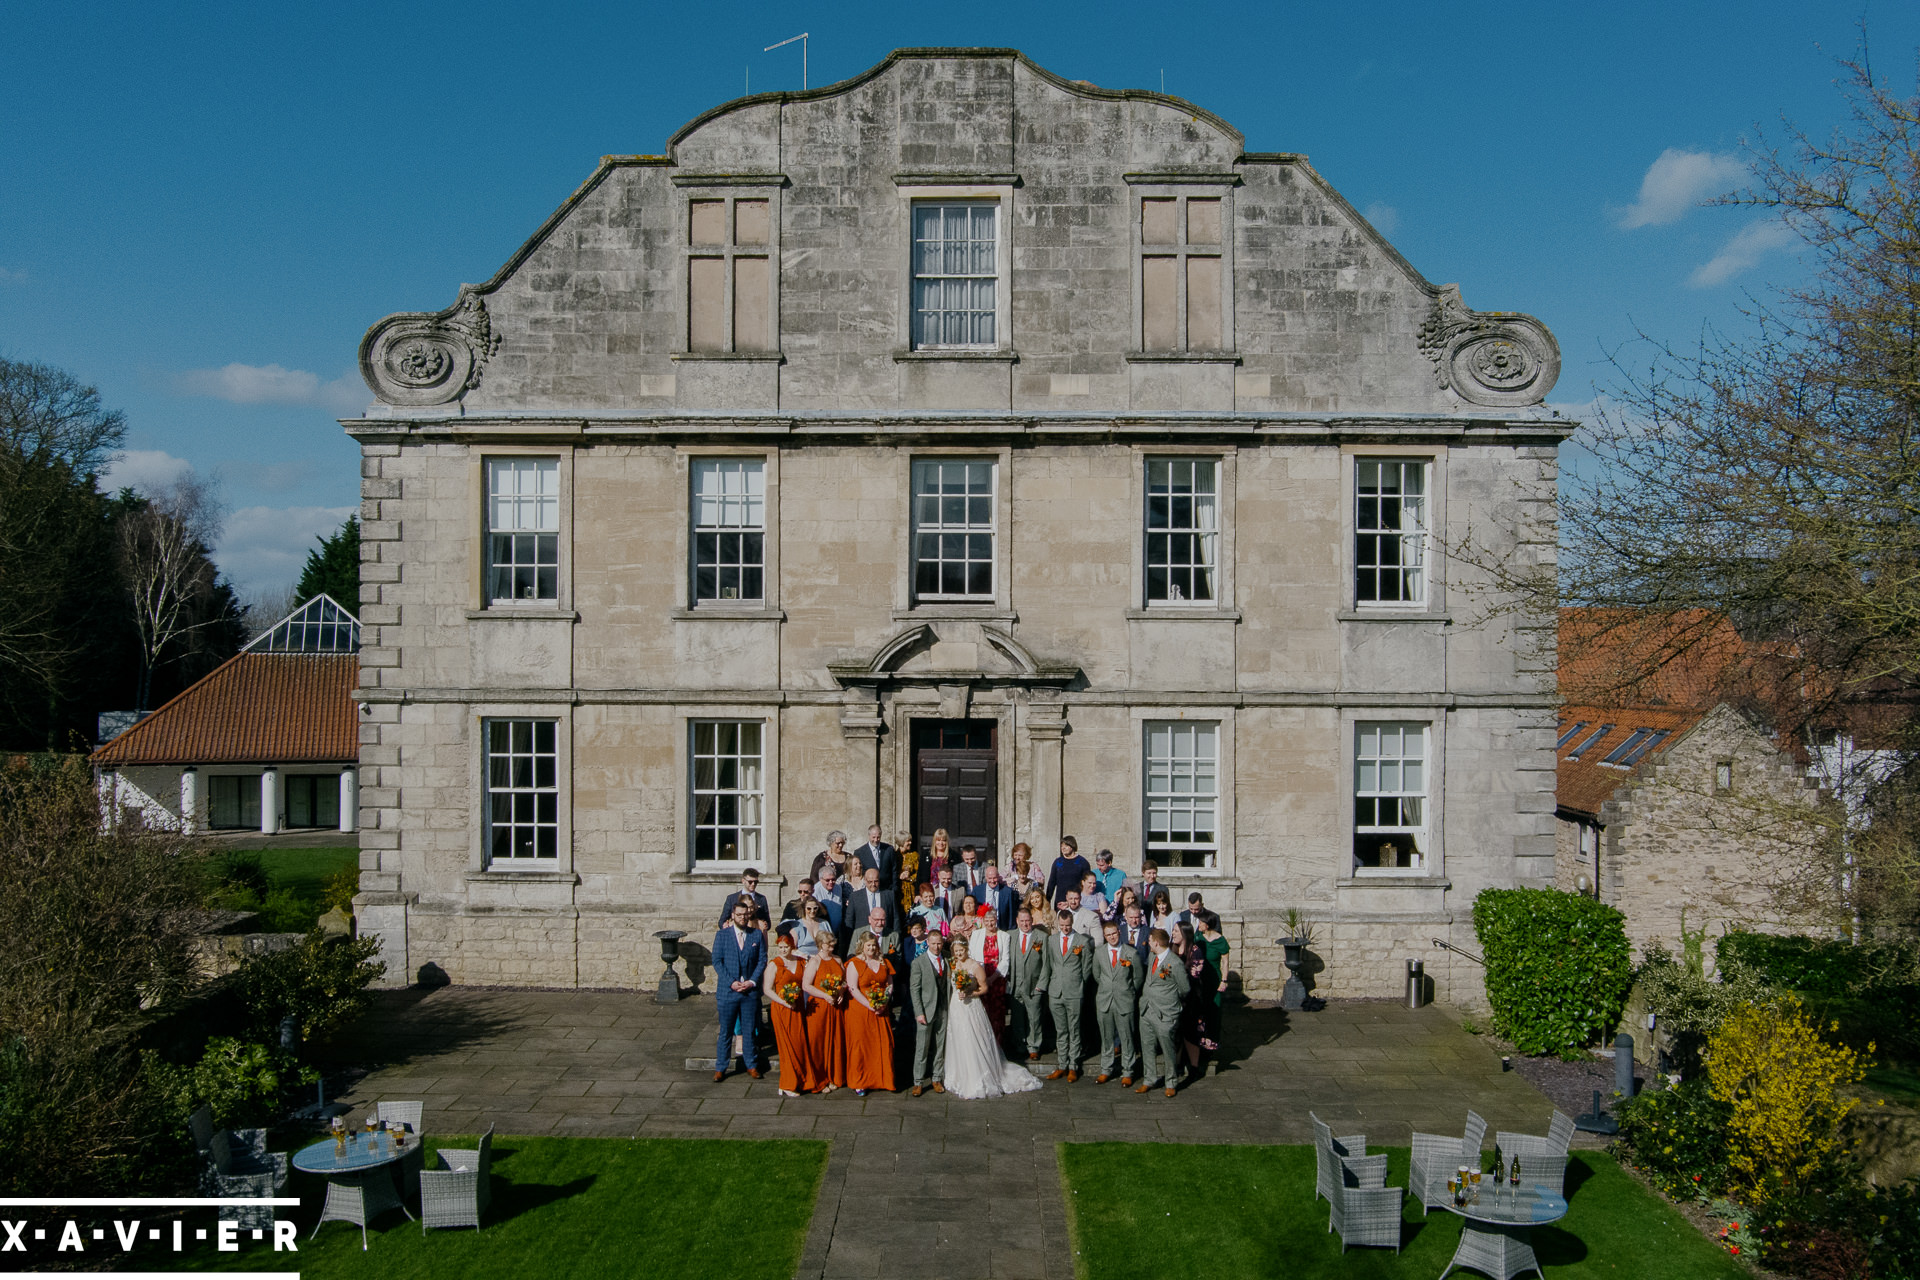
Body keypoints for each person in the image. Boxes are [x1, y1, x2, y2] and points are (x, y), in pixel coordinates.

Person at [941, 945, 1043, 1101]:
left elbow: (984, 988)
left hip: (971, 1004)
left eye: (961, 950)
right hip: (956, 1006)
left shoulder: (975, 966)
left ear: (967, 949)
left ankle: (978, 1076)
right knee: (959, 1039)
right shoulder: (954, 964)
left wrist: (970, 992)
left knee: (973, 1038)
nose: (959, 953)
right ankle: (960, 1075)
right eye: (956, 951)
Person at [712, 898, 767, 1082]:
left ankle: (751, 1065)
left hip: (749, 992)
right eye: (739, 915)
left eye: (746, 915)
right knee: (726, 1031)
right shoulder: (723, 935)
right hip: (728, 992)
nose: (743, 918)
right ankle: (721, 1067)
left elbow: (762, 961)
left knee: (749, 1030)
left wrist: (752, 981)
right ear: (733, 915)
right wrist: (731, 982)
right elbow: (717, 962)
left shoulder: (756, 935)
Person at [1135, 929, 1190, 1097]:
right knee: (1147, 1046)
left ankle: (1171, 1082)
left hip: (1165, 1012)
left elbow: (1185, 988)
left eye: (1150, 941)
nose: (1148, 943)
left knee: (1167, 1048)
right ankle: (1149, 1079)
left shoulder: (1175, 963)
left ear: (1156, 943)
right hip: (1147, 1009)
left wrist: (1169, 1001)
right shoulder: (1152, 957)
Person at [763, 929, 816, 1097]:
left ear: (792, 947)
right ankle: (787, 1084)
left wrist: (802, 954)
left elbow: (815, 965)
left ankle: (800, 1080)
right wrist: (783, 1001)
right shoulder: (775, 964)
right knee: (787, 1047)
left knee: (800, 1044)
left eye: (786, 947)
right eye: (781, 947)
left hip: (798, 1007)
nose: (783, 950)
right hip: (782, 1009)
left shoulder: (800, 961)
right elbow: (767, 989)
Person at [1042, 906, 1091, 1081]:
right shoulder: (1052, 941)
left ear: (1072, 923)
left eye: (1068, 925)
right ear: (1058, 924)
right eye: (1062, 925)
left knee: (1074, 1029)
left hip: (1074, 991)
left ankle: (1073, 1066)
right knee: (1061, 1030)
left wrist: (1078, 984)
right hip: (1056, 991)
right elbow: (1048, 964)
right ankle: (1062, 1064)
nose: (1065, 928)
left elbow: (1086, 968)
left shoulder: (1082, 941)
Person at [1090, 918, 1142, 1085]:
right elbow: (1096, 974)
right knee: (1106, 1037)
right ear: (1104, 936)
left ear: (1119, 933)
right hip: (1105, 999)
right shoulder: (1099, 953)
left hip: (1124, 999)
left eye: (1114, 934)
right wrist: (1108, 987)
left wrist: (1126, 990)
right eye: (1108, 935)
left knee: (1126, 1037)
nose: (1112, 937)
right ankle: (1106, 1069)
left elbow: (1138, 978)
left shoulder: (1130, 953)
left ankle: (1128, 1070)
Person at [844, 933, 897, 1096]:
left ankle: (882, 1079)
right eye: (868, 945)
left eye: (874, 945)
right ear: (862, 946)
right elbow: (853, 988)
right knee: (861, 1046)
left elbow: (889, 984)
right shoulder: (854, 963)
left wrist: (884, 1002)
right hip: (860, 1010)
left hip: (881, 1008)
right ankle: (860, 1082)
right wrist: (870, 1005)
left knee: (882, 1043)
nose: (872, 948)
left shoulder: (884, 962)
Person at [802, 935, 848, 1093]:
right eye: (829, 945)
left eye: (833, 944)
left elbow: (844, 980)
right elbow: (806, 985)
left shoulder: (837, 959)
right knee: (819, 1043)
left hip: (835, 1007)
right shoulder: (814, 962)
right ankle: (820, 1079)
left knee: (836, 1041)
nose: (832, 947)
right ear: (821, 945)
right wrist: (824, 995)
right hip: (820, 1007)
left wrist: (841, 990)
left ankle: (834, 1076)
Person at [909, 932, 952, 1096]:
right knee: (922, 1047)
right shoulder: (918, 963)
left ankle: (936, 1078)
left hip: (943, 1008)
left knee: (940, 1046)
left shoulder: (947, 959)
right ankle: (918, 1082)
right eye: (933, 944)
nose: (936, 947)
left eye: (939, 943)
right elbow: (915, 989)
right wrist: (919, 1012)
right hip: (926, 1011)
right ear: (927, 943)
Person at [1007, 906, 1050, 1062]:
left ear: (1032, 921)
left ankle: (1034, 1047)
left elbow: (1046, 963)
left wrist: (1041, 985)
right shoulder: (1010, 936)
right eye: (1022, 921)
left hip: (1034, 985)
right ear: (1017, 921)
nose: (1025, 924)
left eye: (1028, 921)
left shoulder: (1041, 937)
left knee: (1034, 1017)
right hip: (1015, 984)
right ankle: (1019, 1044)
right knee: (1017, 1017)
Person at [1173, 922, 1210, 1078]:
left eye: (1175, 931)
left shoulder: (1195, 952)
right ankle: (1178, 1064)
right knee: (1177, 1033)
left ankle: (1194, 1066)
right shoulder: (1172, 949)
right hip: (1175, 997)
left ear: (1184, 933)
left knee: (1191, 1032)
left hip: (1191, 998)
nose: (1173, 933)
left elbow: (1194, 975)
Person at [1198, 910, 1231, 1060]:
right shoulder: (1198, 937)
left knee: (1214, 1011)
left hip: (1214, 979)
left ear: (1207, 925)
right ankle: (1201, 1040)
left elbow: (1225, 962)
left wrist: (1224, 980)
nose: (1198, 925)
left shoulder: (1220, 941)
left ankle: (1212, 1042)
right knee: (1201, 1009)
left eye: (1200, 922)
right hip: (1200, 979)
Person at [848, 867, 900, 937]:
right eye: (870, 882)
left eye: (876, 881)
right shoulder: (855, 897)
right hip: (862, 939)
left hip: (885, 937)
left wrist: (895, 936)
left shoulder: (889, 895)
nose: (873, 884)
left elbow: (896, 918)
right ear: (865, 880)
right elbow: (849, 920)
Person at [849, 824, 899, 893]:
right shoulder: (859, 852)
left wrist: (894, 888)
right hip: (869, 890)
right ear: (869, 836)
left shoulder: (889, 849)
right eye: (873, 837)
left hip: (887, 890)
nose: (876, 840)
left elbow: (894, 870)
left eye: (878, 837)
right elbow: (857, 873)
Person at [1045, 836, 1091, 907]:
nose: (1063, 848)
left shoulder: (1082, 863)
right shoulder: (1058, 862)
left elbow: (1086, 885)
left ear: (1072, 846)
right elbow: (1051, 883)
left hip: (1076, 901)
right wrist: (1047, 900)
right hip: (1060, 901)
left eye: (1066, 846)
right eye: (1061, 846)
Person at [814, 862, 851, 941]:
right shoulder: (815, 891)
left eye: (833, 879)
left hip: (837, 932)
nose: (831, 882)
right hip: (823, 934)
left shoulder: (838, 888)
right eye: (827, 880)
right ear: (821, 879)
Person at [978, 864, 1017, 931]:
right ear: (986, 878)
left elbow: (1011, 914)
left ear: (999, 877)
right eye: (990, 878)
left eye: (995, 878)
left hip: (1002, 928)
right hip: (984, 929)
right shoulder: (978, 891)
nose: (992, 881)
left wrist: (1011, 930)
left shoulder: (1007, 891)